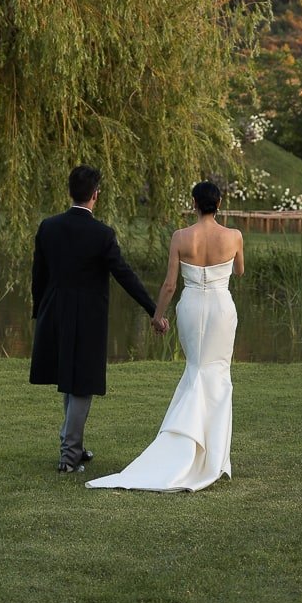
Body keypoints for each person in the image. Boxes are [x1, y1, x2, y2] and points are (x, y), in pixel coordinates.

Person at [87, 179, 243, 492]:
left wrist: (158, 317)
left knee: (196, 370)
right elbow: (239, 271)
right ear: (220, 204)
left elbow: (170, 285)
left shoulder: (180, 236)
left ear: (195, 204)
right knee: (217, 374)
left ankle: (192, 447)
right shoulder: (234, 236)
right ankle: (211, 457)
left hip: (191, 306)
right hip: (221, 307)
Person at [30, 165, 168, 473]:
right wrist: (153, 310)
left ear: (70, 192)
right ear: (96, 195)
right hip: (86, 318)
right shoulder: (102, 234)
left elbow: (38, 275)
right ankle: (68, 458)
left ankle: (74, 447)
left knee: (70, 380)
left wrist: (38, 311)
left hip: (53, 312)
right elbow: (125, 276)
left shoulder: (48, 227)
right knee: (81, 384)